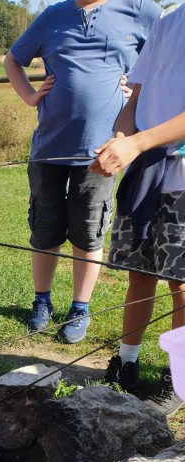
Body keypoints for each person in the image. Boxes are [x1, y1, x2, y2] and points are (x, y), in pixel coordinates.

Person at [4, 0, 161, 344]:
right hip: (49, 150)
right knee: (45, 231)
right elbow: (12, 60)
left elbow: (165, 56)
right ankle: (41, 301)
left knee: (89, 232)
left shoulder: (139, 10)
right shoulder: (52, 15)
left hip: (103, 151)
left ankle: (80, 307)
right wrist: (31, 97)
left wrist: (137, 91)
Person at [90, 3, 185, 416]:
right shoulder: (167, 18)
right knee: (139, 270)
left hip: (180, 170)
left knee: (181, 282)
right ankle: (126, 363)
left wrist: (138, 143)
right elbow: (137, 96)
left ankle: (179, 377)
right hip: (145, 166)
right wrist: (120, 140)